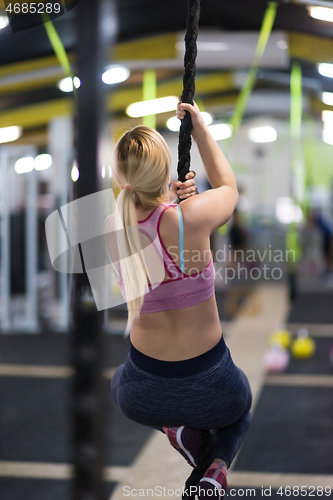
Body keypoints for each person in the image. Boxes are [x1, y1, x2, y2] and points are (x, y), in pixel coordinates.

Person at [107, 100, 252, 499]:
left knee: (117, 380)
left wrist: (169, 199)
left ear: (120, 177)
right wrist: (200, 129)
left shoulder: (109, 230)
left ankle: (179, 432)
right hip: (211, 383)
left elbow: (147, 222)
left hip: (141, 393)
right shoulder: (191, 218)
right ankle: (215, 469)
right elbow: (228, 189)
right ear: (166, 170)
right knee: (240, 412)